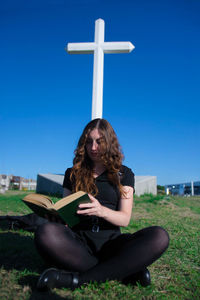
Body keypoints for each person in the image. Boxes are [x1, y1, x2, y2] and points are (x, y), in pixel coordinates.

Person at [35, 118, 169, 290]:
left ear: (109, 142)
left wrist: (101, 210)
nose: (93, 148)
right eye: (89, 142)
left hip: (112, 243)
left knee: (159, 236)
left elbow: (124, 219)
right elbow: (65, 211)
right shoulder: (72, 173)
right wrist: (57, 217)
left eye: (99, 142)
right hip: (78, 243)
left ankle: (75, 280)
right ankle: (123, 271)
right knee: (45, 232)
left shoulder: (124, 173)